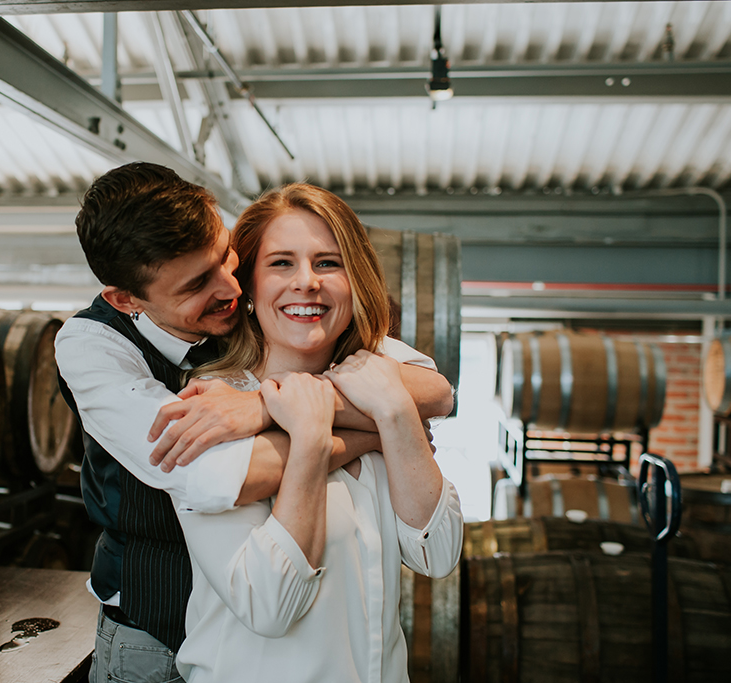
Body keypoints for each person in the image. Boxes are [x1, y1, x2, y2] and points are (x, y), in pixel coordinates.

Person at [54, 163, 454, 683]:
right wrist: (374, 428)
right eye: (198, 283)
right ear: (126, 299)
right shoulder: (95, 347)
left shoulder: (270, 317)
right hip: (148, 629)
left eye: (226, 256)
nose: (230, 286)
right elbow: (215, 474)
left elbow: (435, 391)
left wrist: (267, 406)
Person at [172, 183, 463, 682]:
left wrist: (392, 410)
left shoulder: (384, 375)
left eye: (328, 263)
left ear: (356, 281)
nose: (307, 282)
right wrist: (309, 440)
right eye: (281, 263)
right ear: (248, 286)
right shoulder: (211, 407)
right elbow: (269, 606)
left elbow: (437, 554)